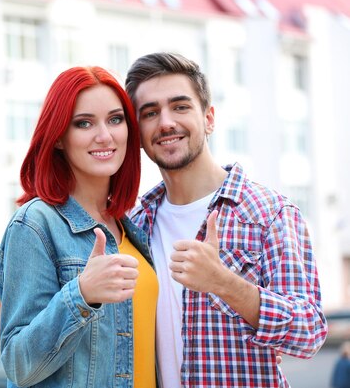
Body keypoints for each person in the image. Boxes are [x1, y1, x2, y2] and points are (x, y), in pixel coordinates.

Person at [124, 52, 327, 388]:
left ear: (209, 119)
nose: (166, 122)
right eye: (150, 113)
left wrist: (224, 283)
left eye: (180, 106)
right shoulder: (134, 222)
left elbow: (309, 333)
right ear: (140, 133)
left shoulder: (269, 213)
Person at [0, 66, 158, 388]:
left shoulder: (133, 226)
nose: (104, 135)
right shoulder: (36, 225)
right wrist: (81, 294)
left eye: (115, 119)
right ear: (58, 137)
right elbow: (18, 363)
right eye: (84, 123)